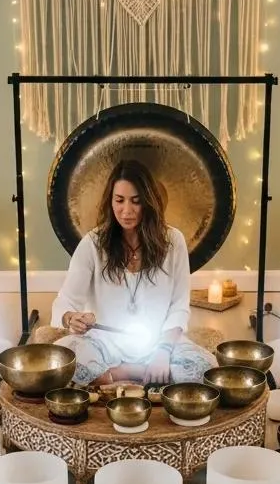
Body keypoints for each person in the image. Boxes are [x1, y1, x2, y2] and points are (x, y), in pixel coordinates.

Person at [52, 158, 217, 386]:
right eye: (119, 200)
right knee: (61, 359)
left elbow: (179, 307)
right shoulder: (92, 244)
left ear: (149, 203)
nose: (126, 211)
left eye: (136, 202)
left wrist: (163, 352)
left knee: (205, 368)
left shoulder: (173, 241)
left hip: (159, 343)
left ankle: (117, 374)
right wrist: (72, 318)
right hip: (105, 344)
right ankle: (132, 372)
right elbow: (65, 301)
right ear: (110, 201)